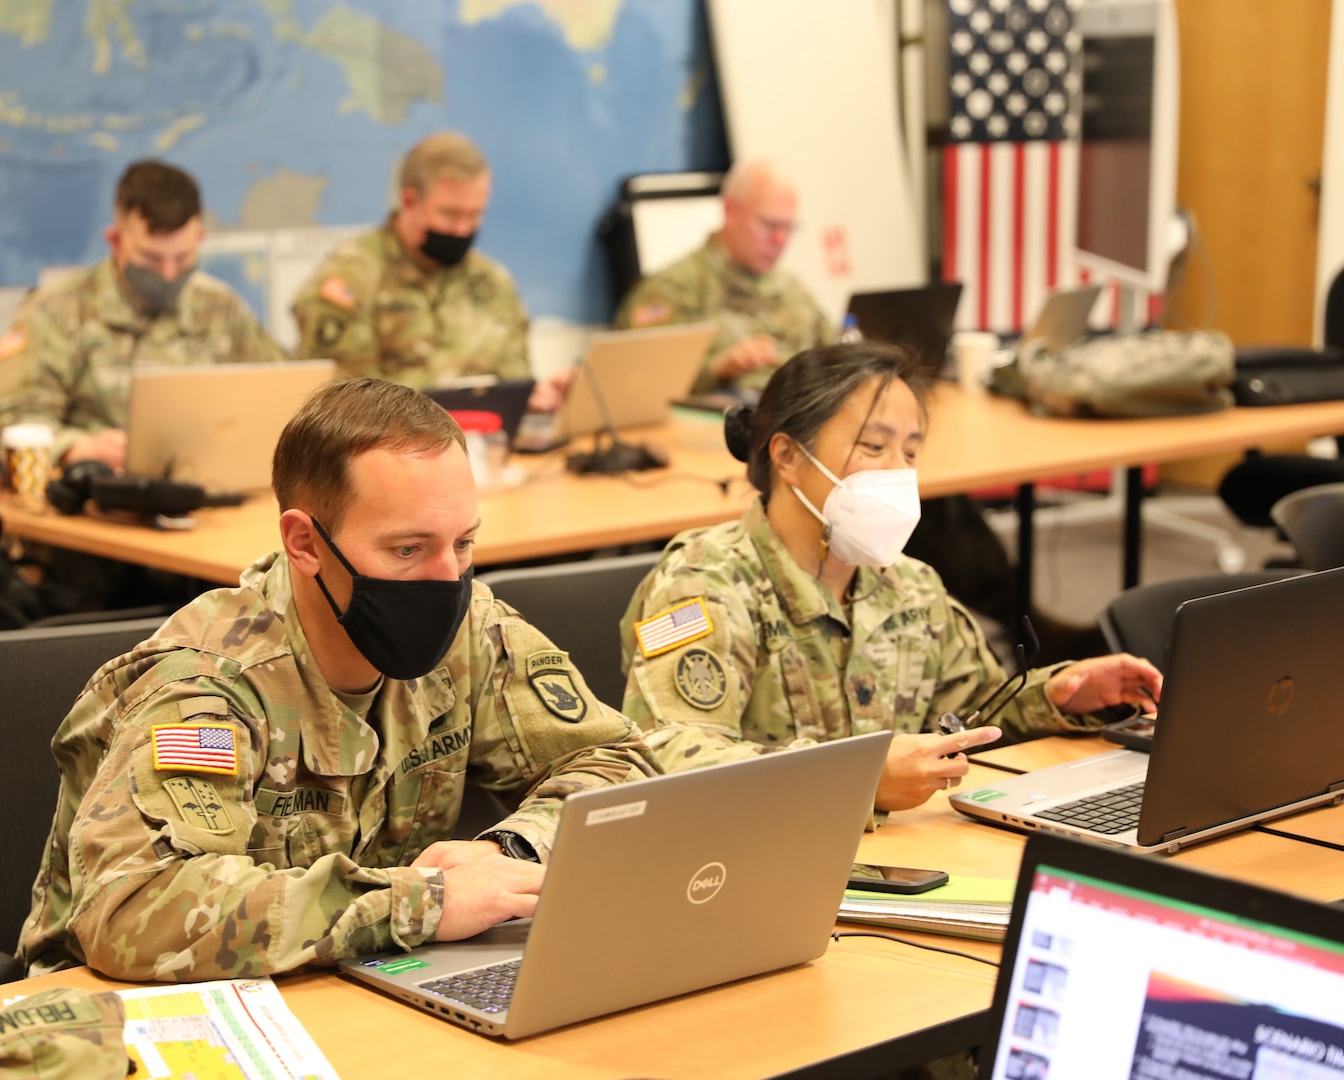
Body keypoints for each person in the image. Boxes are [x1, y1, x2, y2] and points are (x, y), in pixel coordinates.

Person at [17, 378, 658, 980]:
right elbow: (136, 908)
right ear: (305, 543)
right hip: (155, 1017)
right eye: (407, 550)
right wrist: (419, 904)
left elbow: (617, 762)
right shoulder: (209, 688)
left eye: (462, 544)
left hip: (371, 978)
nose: (446, 579)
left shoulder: (473, 634)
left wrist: (512, 852)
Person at [618, 343, 1163, 817]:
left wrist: (1059, 695)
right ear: (786, 456)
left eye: (909, 452)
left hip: (898, 861)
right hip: (750, 861)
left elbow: (972, 713)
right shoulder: (702, 585)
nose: (896, 473)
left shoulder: (911, 585)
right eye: (873, 447)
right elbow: (668, 750)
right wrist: (860, 779)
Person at [0, 159, 287, 470]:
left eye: (183, 258)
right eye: (151, 259)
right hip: (98, 500)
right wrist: (78, 447)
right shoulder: (56, 311)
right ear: (116, 241)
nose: (169, 274)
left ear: (199, 239)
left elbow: (282, 400)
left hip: (213, 493)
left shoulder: (221, 307)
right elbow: (12, 425)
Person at [292, 132, 567, 411]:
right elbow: (343, 408)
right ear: (409, 201)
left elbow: (514, 386)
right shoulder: (352, 279)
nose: (463, 229)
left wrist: (535, 400)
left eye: (474, 215)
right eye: (450, 214)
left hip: (485, 448)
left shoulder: (493, 283)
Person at [614, 160, 834, 397]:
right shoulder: (674, 290)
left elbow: (837, 357)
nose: (780, 240)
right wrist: (717, 368)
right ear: (730, 211)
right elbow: (637, 384)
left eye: (788, 227)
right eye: (769, 225)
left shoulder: (794, 291)